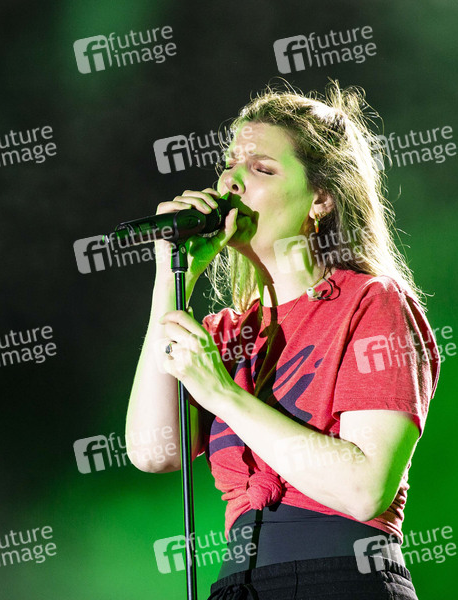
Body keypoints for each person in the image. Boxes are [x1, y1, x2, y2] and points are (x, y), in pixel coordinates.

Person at [125, 82, 440, 600]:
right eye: (230, 164)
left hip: (340, 579)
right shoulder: (225, 333)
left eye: (262, 169)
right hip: (240, 584)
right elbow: (153, 451)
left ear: (320, 199)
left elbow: (364, 490)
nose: (230, 181)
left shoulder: (370, 303)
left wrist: (221, 392)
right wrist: (172, 274)